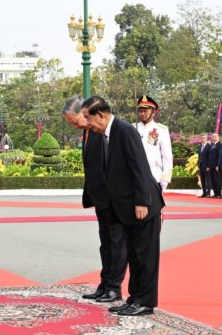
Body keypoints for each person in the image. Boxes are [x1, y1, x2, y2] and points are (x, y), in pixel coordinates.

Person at [82, 95, 164, 316]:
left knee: (145, 256)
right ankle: (134, 298)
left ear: (100, 115)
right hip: (126, 207)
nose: (88, 124)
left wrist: (142, 201)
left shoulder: (124, 130)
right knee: (133, 255)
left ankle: (145, 301)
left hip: (143, 205)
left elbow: (140, 166)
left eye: (89, 118)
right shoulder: (108, 134)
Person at [62, 97, 126, 303]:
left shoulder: (102, 132)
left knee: (116, 244)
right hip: (99, 199)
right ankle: (105, 283)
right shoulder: (88, 132)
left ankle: (114, 287)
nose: (75, 126)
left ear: (85, 113)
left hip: (112, 198)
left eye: (75, 121)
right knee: (105, 244)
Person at [133, 95, 172, 191]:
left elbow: (166, 155)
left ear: (153, 112)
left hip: (154, 175)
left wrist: (165, 178)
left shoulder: (161, 130)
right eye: (140, 111)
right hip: (134, 175)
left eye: (145, 111)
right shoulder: (132, 128)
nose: (142, 114)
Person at [208, 133, 222, 197]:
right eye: (213, 136)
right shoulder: (212, 145)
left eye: (215, 136)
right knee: (212, 180)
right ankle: (215, 193)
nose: (214, 137)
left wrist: (218, 165)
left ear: (218, 137)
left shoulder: (220, 145)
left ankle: (219, 194)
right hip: (211, 166)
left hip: (216, 166)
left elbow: (220, 156)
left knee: (217, 180)